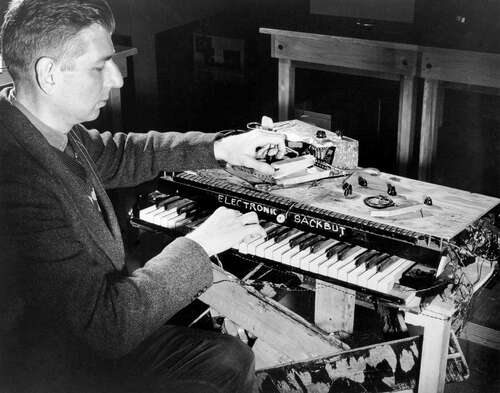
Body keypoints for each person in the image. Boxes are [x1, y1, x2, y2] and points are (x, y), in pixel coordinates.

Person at [0, 1, 286, 392]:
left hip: (83, 342)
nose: (117, 79)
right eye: (101, 66)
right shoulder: (16, 183)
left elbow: (121, 153)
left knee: (230, 358)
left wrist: (221, 148)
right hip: (52, 370)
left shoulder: (41, 123)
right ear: (48, 74)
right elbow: (107, 327)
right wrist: (200, 245)